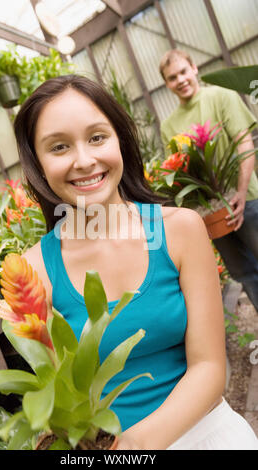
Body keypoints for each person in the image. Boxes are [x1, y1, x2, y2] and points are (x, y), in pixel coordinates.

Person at [13, 75, 258, 450]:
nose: (84, 160)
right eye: (59, 147)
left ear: (120, 141)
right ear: (37, 163)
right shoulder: (31, 273)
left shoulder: (180, 230)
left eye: (97, 137)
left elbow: (209, 369)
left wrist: (131, 449)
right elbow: (58, 402)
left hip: (207, 434)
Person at [159, 49, 258, 314]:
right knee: (244, 273)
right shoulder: (168, 126)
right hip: (212, 213)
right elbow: (180, 174)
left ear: (194, 68)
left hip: (246, 199)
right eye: (172, 77)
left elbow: (244, 143)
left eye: (183, 72)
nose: (180, 80)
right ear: (166, 84)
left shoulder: (221, 95)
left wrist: (238, 192)